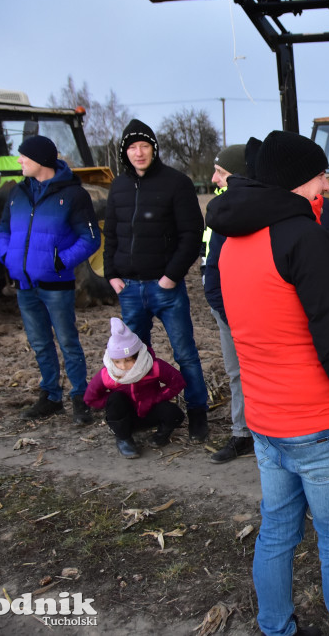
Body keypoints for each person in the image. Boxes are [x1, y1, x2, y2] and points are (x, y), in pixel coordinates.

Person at [206, 130, 329, 636]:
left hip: (266, 421)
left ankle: (275, 627)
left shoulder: (229, 239)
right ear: (295, 181)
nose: (326, 185)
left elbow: (231, 313)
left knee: (275, 534)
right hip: (321, 424)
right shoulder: (303, 239)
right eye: (318, 176)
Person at [103, 119, 209, 442]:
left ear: (154, 149)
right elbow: (111, 234)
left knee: (185, 352)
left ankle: (197, 413)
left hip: (166, 288)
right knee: (135, 357)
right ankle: (142, 411)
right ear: (125, 152)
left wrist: (170, 277)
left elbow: (192, 235)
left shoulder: (176, 183)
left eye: (144, 146)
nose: (139, 153)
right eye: (132, 147)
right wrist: (112, 274)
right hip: (130, 289)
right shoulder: (119, 187)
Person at [0, 135, 99, 424]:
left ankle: (80, 397)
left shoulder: (74, 195)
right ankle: (51, 396)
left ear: (40, 160)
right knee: (40, 343)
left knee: (68, 342)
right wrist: (7, 255)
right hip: (24, 285)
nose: (19, 161)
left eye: (23, 157)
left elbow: (90, 239)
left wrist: (59, 261)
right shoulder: (17, 194)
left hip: (56, 285)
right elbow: (3, 229)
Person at [203, 143, 252, 463]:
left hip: (250, 307)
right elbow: (212, 261)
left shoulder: (251, 210)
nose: (213, 178)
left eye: (220, 172)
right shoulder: (219, 209)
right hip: (224, 304)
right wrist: (220, 304)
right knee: (236, 372)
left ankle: (272, 433)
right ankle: (241, 433)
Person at [84, 318, 186, 459]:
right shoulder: (108, 374)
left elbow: (177, 381)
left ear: (138, 356)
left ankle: (160, 435)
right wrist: (111, 404)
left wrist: (156, 398)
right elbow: (91, 397)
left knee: (174, 413)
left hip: (149, 410)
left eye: (128, 360)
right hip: (125, 417)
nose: (123, 366)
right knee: (116, 398)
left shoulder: (152, 366)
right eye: (117, 362)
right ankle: (123, 438)